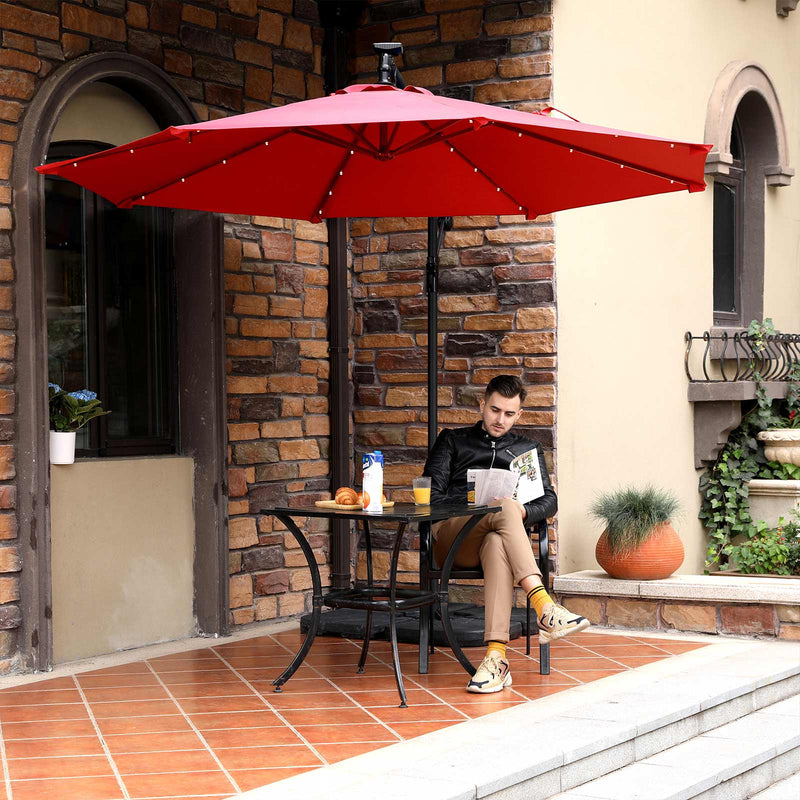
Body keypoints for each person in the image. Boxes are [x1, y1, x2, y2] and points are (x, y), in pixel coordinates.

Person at [423, 375, 589, 693]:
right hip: (453, 538)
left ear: (519, 414)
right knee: (503, 509)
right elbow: (430, 495)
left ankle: (495, 660)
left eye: (509, 414)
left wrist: (521, 511)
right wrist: (477, 503)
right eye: (495, 410)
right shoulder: (453, 441)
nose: (501, 420)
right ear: (482, 405)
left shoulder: (527, 449)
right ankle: (544, 605)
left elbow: (549, 501)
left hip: (494, 538)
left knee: (500, 535)